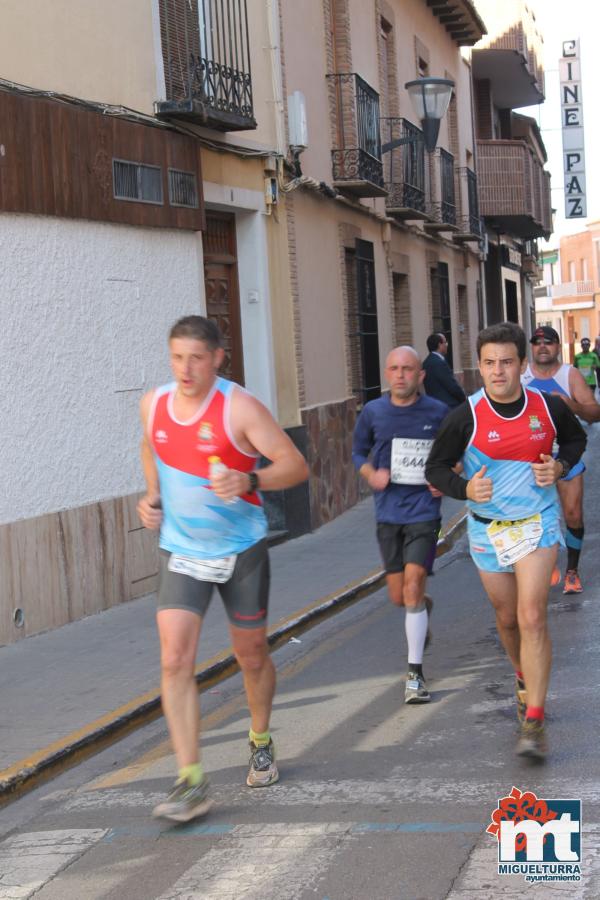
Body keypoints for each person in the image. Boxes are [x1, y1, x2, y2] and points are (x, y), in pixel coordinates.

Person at [137, 315, 308, 822]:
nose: (185, 369)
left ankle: (259, 738)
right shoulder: (154, 404)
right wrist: (152, 497)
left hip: (240, 551)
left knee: (251, 655)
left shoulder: (239, 408)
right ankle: (190, 779)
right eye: (177, 357)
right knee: (174, 660)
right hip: (182, 551)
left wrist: (250, 479)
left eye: (196, 357)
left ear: (217, 358)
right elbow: (151, 447)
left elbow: (295, 465)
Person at [426, 322, 586, 760]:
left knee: (532, 615)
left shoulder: (548, 407)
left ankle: (533, 718)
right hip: (487, 528)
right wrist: (464, 491)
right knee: (508, 618)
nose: (498, 371)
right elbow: (436, 469)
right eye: (489, 363)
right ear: (479, 367)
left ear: (522, 364)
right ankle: (521, 675)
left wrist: (559, 467)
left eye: (507, 362)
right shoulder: (465, 416)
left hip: (538, 521)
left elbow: (575, 438)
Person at [353, 346, 449, 704]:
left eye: (408, 369)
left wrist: (446, 477)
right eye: (393, 368)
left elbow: (454, 456)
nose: (400, 375)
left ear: (420, 375)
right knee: (401, 596)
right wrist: (370, 474)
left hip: (425, 512)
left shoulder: (438, 413)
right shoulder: (374, 412)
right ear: (386, 373)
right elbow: (358, 453)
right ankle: (422, 605)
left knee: (410, 586)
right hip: (387, 513)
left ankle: (414, 676)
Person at [522, 325, 600, 594]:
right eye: (537, 342)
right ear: (531, 347)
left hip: (565, 453)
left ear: (557, 346)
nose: (542, 346)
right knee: (535, 518)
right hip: (531, 459)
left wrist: (571, 404)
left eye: (548, 342)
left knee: (573, 514)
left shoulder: (570, 374)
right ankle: (546, 564)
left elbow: (594, 413)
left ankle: (572, 572)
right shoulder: (521, 376)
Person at [422, 333, 467, 408]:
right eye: (445, 342)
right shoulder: (439, 363)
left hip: (434, 405)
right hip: (448, 406)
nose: (447, 345)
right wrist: (464, 398)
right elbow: (452, 387)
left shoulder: (426, 362)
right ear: (440, 345)